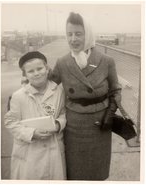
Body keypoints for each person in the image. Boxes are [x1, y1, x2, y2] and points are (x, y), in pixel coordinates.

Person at [51, 12, 122, 180]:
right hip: (73, 125)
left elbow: (115, 90)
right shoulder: (62, 62)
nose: (73, 39)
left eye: (78, 34)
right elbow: (49, 86)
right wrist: (25, 92)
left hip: (101, 123)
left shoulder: (106, 60)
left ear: (88, 34)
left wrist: (110, 115)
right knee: (75, 170)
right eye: (69, 34)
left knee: (96, 169)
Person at [4, 51, 66, 180]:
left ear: (47, 69)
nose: (37, 73)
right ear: (25, 75)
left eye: (40, 68)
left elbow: (63, 113)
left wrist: (58, 124)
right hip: (29, 152)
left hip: (53, 148)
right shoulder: (19, 96)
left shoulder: (59, 91)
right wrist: (31, 133)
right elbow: (10, 122)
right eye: (31, 71)